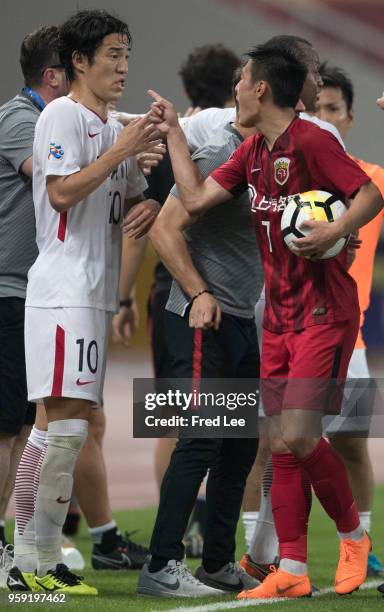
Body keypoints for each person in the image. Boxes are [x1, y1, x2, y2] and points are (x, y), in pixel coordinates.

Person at [148, 40, 383, 600]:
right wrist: (176, 137)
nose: (234, 89)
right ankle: (293, 571)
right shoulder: (253, 149)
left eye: (241, 79)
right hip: (274, 316)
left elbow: (371, 192)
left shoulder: (313, 140)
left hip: (323, 313)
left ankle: (353, 538)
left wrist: (332, 230)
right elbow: (196, 196)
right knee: (278, 444)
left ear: (260, 89)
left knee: (300, 436)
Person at [13, 9, 160, 596]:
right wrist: (119, 150)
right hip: (61, 292)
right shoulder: (61, 115)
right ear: (78, 61)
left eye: (126, 55)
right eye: (112, 56)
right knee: (63, 429)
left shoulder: (105, 123)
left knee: (63, 428)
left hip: (92, 297)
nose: (123, 67)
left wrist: (146, 195)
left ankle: (36, 560)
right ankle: (32, 559)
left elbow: (130, 202)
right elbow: (62, 192)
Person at [113, 43, 242, 558]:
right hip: (233, 292)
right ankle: (221, 530)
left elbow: (140, 226)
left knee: (175, 421)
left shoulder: (171, 141)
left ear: (187, 88)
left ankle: (181, 524)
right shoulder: (237, 139)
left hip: (175, 293)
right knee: (230, 420)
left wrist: (123, 299)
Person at [137, 70, 262, 598]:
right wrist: (197, 293)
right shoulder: (220, 148)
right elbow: (165, 229)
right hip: (198, 317)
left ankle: (216, 562)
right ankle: (161, 565)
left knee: (239, 446)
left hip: (241, 317)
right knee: (200, 437)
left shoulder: (279, 154)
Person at [316, 61, 384, 576]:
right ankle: (265, 551)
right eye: (315, 109)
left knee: (352, 445)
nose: (324, 119)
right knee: (271, 447)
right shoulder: (285, 181)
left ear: (350, 116)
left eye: (333, 110)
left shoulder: (373, 183)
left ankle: (357, 544)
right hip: (286, 335)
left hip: (351, 341)